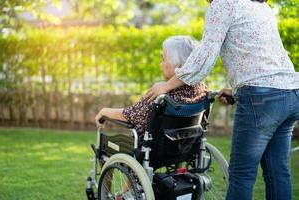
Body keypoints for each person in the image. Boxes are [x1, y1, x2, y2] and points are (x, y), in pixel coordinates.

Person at [146, 0, 299, 199]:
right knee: (277, 172)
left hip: (262, 99)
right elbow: (263, 61)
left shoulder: (223, 3)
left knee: (241, 175)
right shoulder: (259, 6)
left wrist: (166, 86)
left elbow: (205, 55)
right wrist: (236, 90)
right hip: (291, 93)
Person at [95, 35, 207, 138]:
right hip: (184, 146)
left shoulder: (163, 96)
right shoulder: (200, 89)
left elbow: (130, 115)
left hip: (151, 151)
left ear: (176, 65)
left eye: (163, 59)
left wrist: (104, 111)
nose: (161, 64)